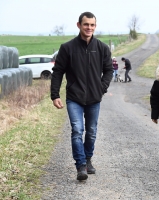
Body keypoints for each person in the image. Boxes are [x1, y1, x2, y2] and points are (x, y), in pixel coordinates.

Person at [50, 11, 113, 181]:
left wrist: (102, 87)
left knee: (91, 131)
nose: (89, 28)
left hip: (94, 98)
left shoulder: (102, 48)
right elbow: (58, 72)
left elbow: (109, 70)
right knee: (77, 130)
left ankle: (88, 159)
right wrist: (54, 94)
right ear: (79, 25)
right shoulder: (67, 48)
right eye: (86, 24)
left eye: (92, 25)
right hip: (74, 98)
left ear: (95, 26)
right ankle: (80, 165)